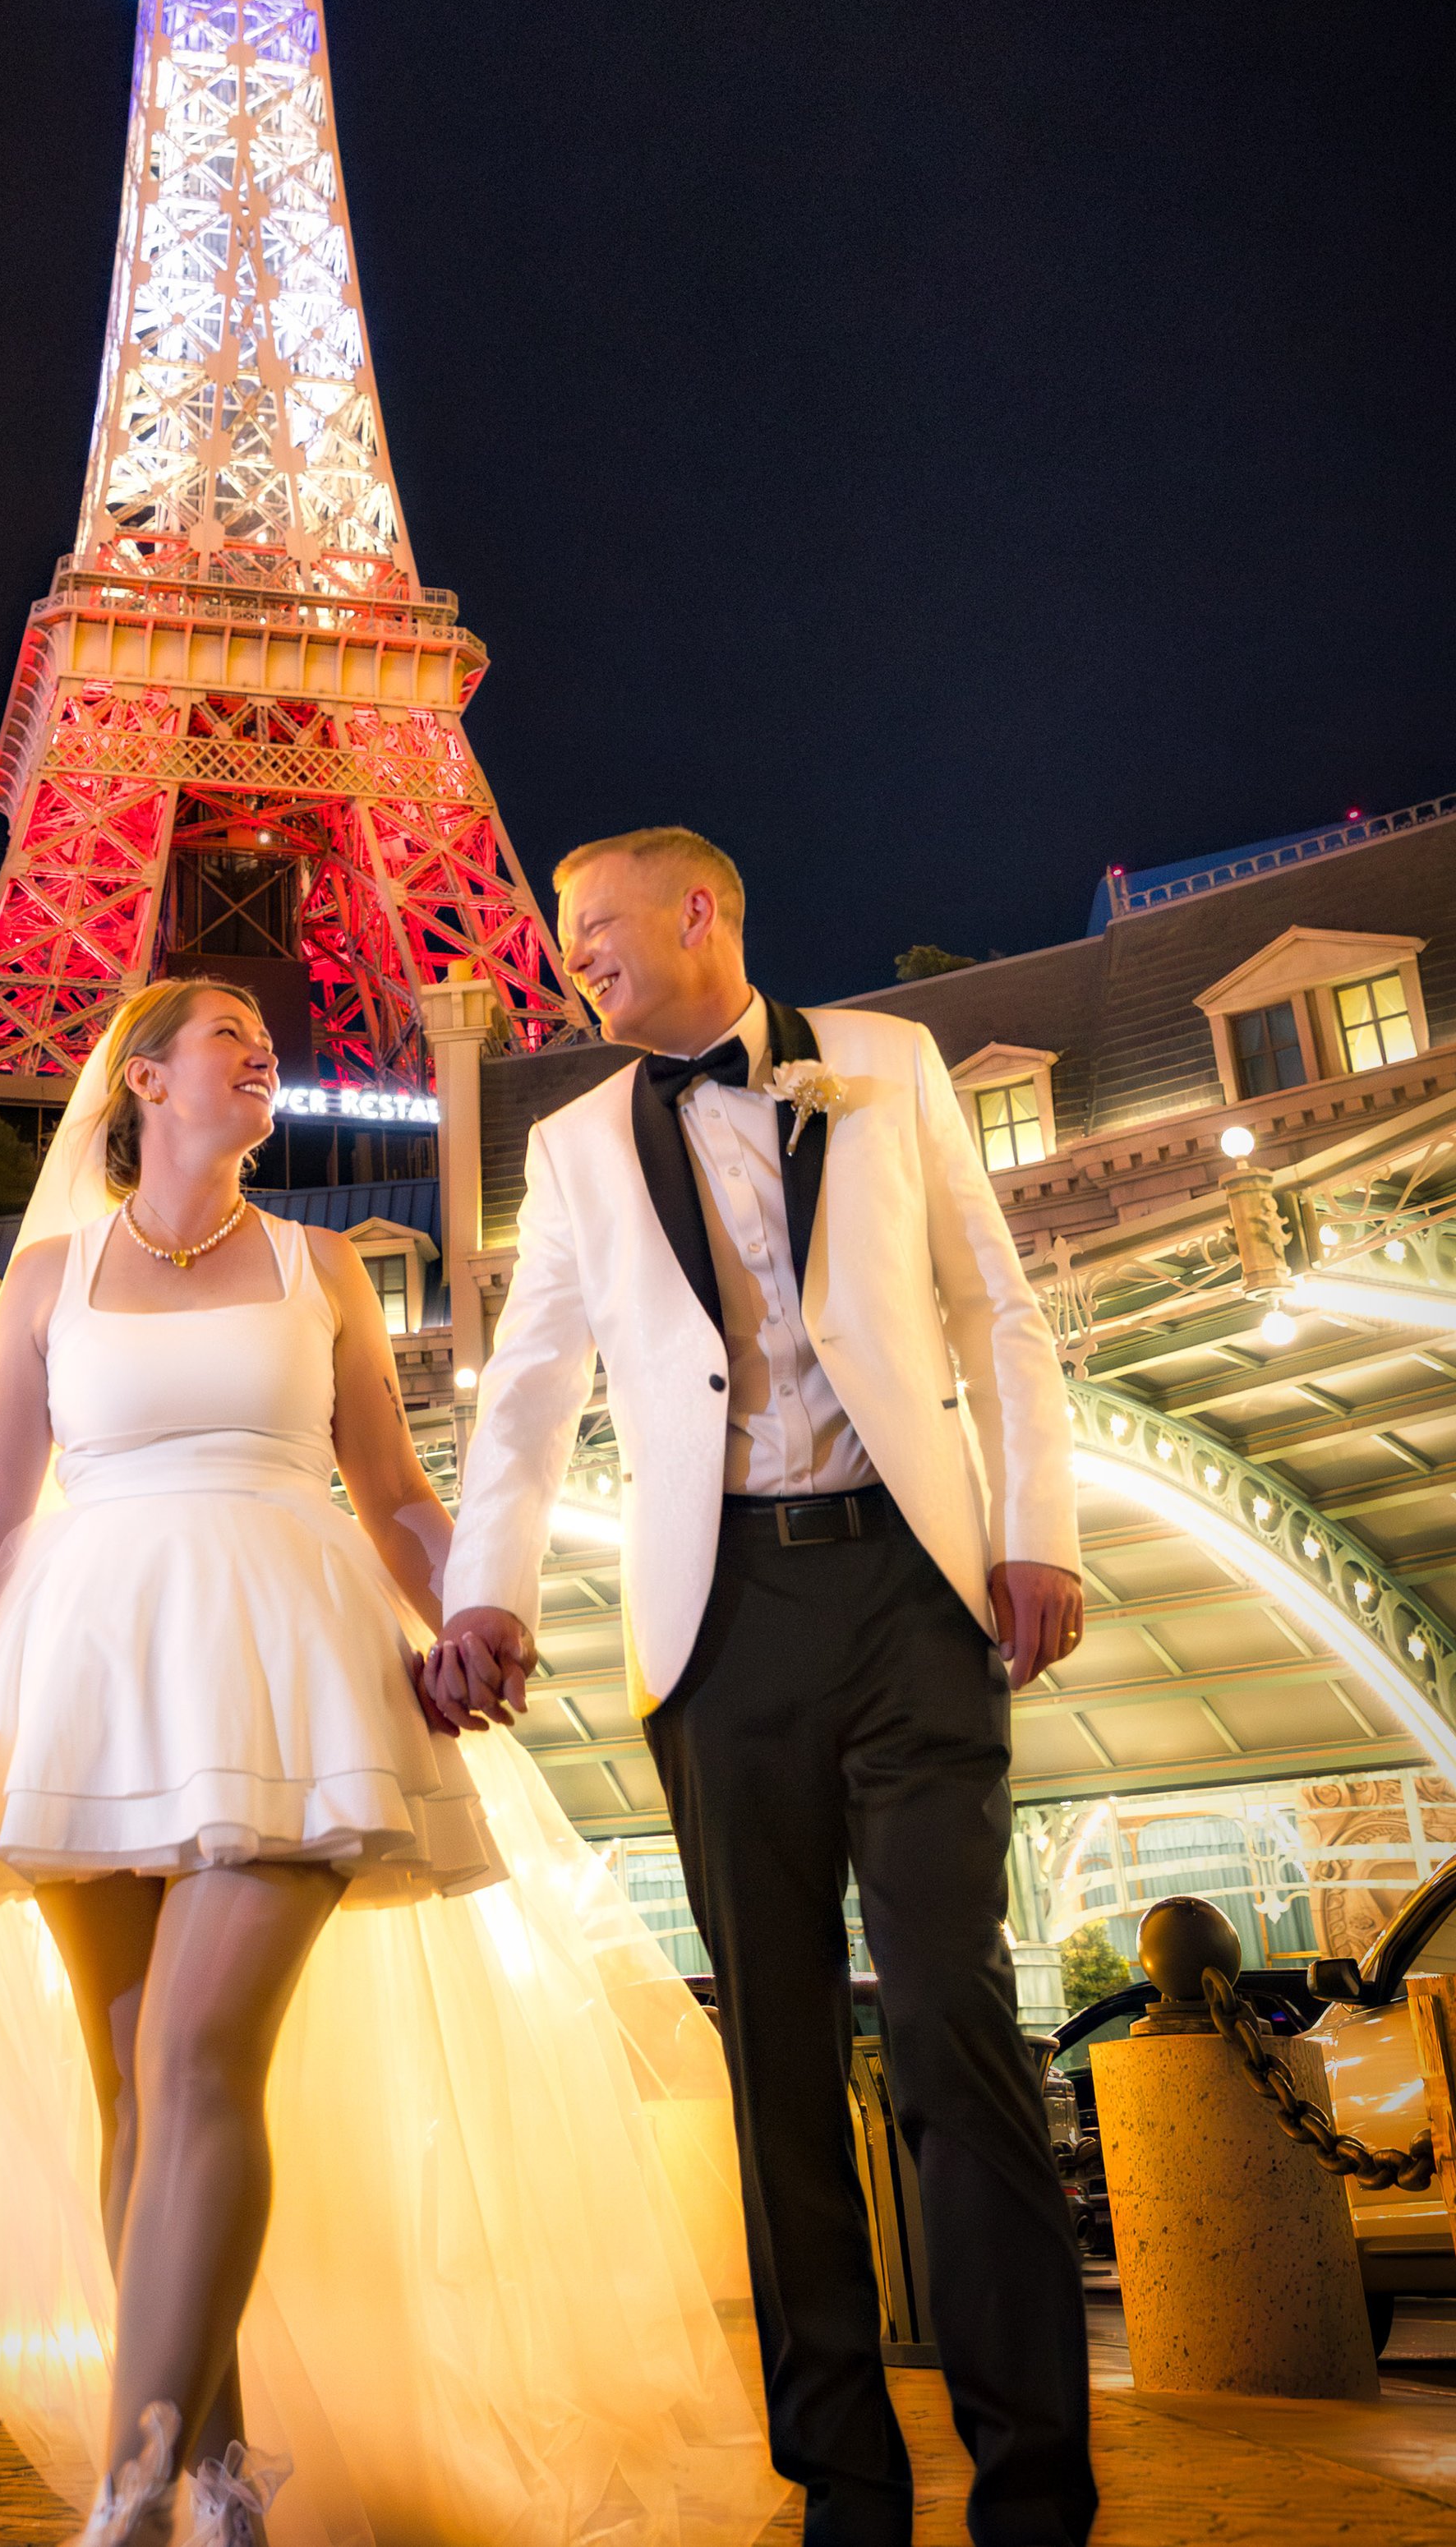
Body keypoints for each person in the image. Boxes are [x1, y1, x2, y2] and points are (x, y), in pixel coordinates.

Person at [0, 973, 779, 2547]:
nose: (262, 1047)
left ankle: (137, 2487)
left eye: (264, 1036)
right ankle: (225, 2478)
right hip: (87, 1676)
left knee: (193, 2060)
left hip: (287, 1667)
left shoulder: (327, 1266)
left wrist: (475, 1604)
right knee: (132, 2095)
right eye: (225, 1030)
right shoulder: (43, 1277)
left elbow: (397, 1492)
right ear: (145, 1078)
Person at [427, 828, 1094, 2547]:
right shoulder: (573, 1144)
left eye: (594, 929)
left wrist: (1035, 1532)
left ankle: (1034, 2492)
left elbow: (992, 1311)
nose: (569, 957)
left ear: (699, 909)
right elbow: (525, 1385)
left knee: (957, 2022)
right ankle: (845, 2494)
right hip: (715, 1626)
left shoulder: (889, 1063)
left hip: (911, 1588)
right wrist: (480, 1589)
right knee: (776, 2064)